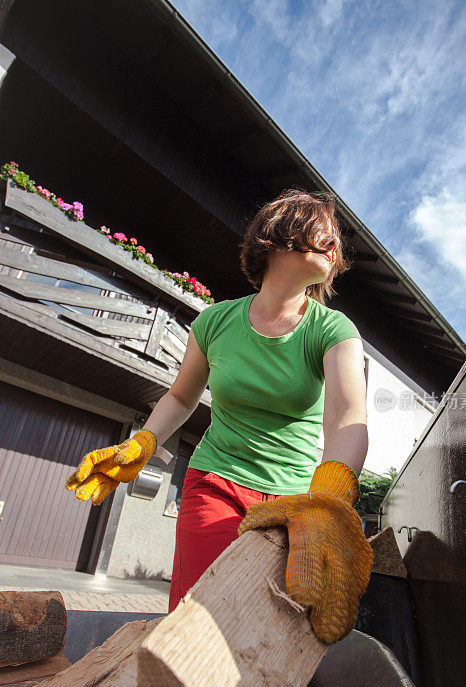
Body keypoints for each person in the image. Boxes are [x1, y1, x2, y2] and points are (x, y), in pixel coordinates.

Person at [65, 188, 373, 644]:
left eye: (336, 243)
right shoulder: (214, 323)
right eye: (321, 234)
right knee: (196, 623)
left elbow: (347, 416)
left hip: (295, 503)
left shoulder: (331, 328)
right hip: (216, 482)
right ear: (278, 235)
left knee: (268, 632)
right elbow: (181, 397)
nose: (334, 247)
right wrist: (143, 443)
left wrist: (328, 501)